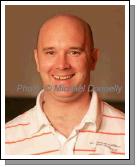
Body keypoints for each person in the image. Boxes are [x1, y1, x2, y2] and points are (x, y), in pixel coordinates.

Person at [5, 14, 125, 155]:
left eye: (74, 52)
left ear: (93, 59)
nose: (62, 65)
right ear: (37, 60)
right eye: (51, 52)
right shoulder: (6, 140)